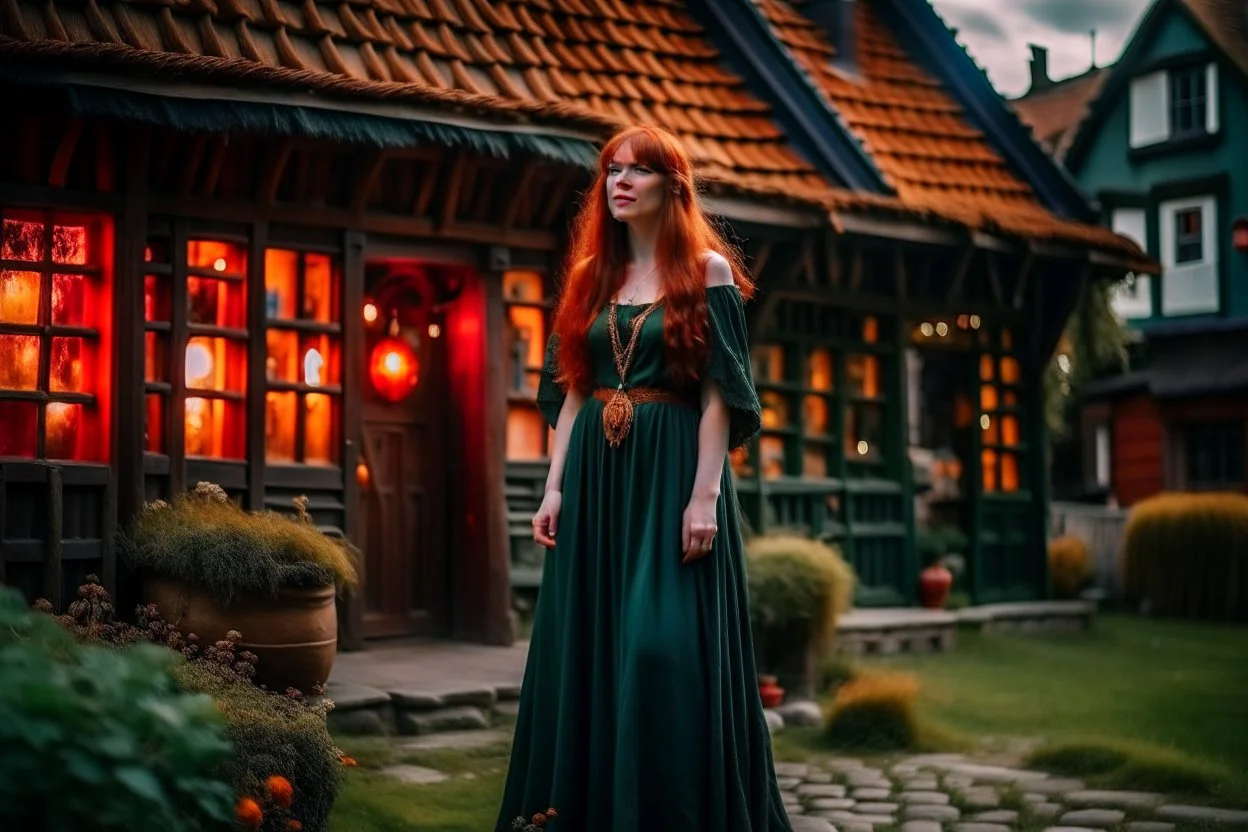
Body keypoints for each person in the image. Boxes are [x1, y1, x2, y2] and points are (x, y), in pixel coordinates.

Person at [495, 124, 793, 832]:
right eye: (611, 171)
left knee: (659, 650)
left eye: (638, 171)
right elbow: (571, 392)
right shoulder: (588, 277)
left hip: (670, 481)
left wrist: (704, 497)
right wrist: (555, 486)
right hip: (597, 484)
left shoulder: (708, 272)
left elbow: (722, 394)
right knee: (587, 654)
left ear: (673, 186)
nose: (619, 182)